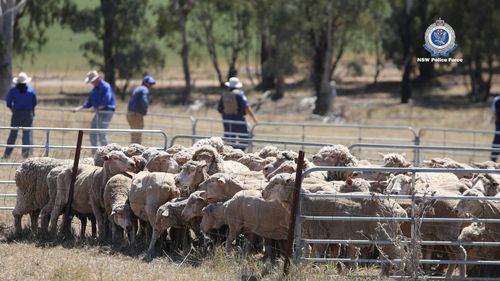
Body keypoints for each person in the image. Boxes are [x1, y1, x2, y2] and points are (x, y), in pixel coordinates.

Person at [73, 70, 116, 154]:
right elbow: (89, 103)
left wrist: (98, 108)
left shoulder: (106, 86)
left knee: (101, 133)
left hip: (106, 112)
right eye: (91, 82)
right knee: (93, 132)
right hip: (98, 112)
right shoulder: (93, 91)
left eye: (92, 81)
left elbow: (107, 99)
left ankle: (107, 153)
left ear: (98, 79)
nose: (92, 83)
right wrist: (79, 108)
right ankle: (94, 152)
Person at [2, 72, 37, 159]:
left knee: (13, 134)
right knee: (26, 134)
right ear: (26, 82)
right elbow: (34, 103)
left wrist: (13, 110)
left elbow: (8, 103)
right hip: (28, 114)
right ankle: (25, 155)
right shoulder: (31, 91)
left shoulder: (13, 91)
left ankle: (7, 155)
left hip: (16, 113)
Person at [217, 77, 257, 151]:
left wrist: (226, 117)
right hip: (238, 119)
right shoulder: (239, 94)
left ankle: (231, 152)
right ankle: (238, 152)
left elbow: (220, 109)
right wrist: (253, 117)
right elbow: (246, 107)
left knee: (229, 139)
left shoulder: (224, 94)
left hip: (227, 120)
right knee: (245, 137)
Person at [127, 75, 156, 144]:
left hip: (130, 114)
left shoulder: (138, 88)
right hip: (136, 115)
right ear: (145, 82)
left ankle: (131, 152)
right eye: (150, 83)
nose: (151, 85)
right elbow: (144, 101)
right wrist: (145, 110)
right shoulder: (144, 89)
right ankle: (135, 153)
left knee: (134, 136)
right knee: (137, 138)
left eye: (152, 84)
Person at [491, 94, 500, 161]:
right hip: (498, 125)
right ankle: (494, 159)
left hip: (498, 125)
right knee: (497, 142)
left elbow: (494, 113)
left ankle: (494, 158)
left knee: (496, 142)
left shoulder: (496, 100)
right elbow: (494, 113)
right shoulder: (496, 100)